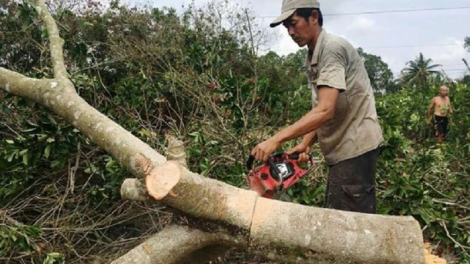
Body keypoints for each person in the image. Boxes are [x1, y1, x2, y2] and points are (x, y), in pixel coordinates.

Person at [250, 0, 383, 214]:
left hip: (355, 147)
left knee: (350, 225)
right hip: (343, 151)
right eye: (287, 28)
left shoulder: (331, 49)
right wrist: (306, 143)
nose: (291, 32)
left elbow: (325, 110)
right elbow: (325, 108)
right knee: (340, 215)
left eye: (294, 24)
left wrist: (276, 139)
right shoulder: (313, 54)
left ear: (313, 17)